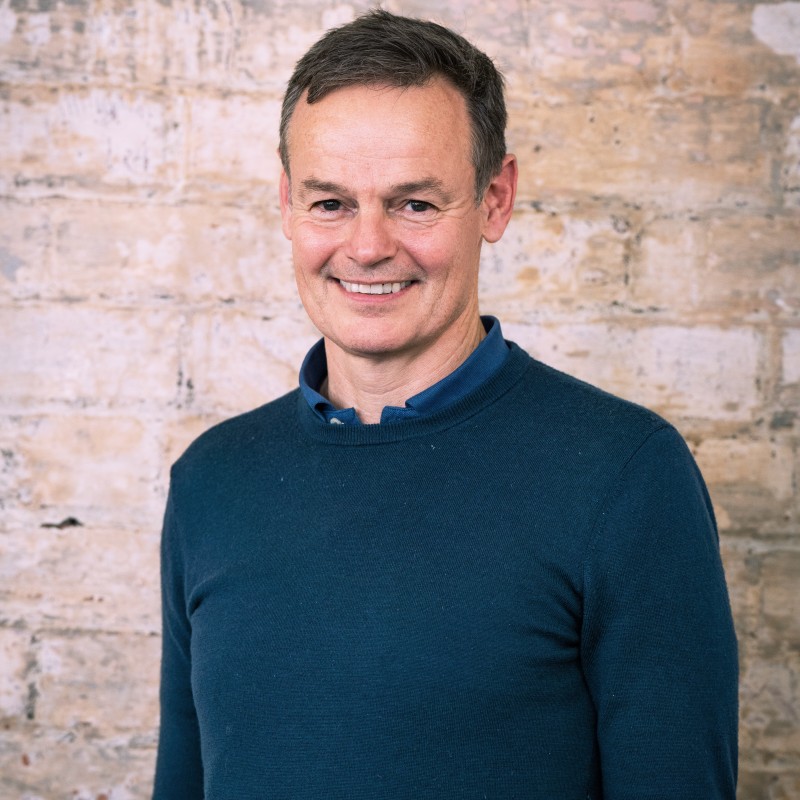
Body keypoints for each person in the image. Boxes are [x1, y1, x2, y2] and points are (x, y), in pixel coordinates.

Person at [153, 10, 738, 799]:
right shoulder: (211, 480)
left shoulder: (626, 477)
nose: (367, 247)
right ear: (287, 205)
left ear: (495, 200)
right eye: (330, 203)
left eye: (415, 204)